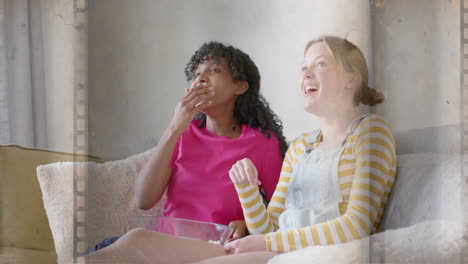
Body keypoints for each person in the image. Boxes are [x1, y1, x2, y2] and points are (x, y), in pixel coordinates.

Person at [84, 35, 396, 264]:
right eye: (303, 68)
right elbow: (271, 221)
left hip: (262, 250)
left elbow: (350, 224)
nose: (305, 74)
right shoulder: (301, 146)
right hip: (234, 246)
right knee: (122, 245)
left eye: (321, 64)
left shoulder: (367, 133)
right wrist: (246, 190)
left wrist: (256, 234)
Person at [83, 41, 287, 255]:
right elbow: (144, 199)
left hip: (214, 251)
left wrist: (246, 225)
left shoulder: (262, 143)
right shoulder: (184, 132)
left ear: (240, 86)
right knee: (103, 248)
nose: (201, 78)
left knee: (129, 242)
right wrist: (174, 128)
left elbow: (282, 213)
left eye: (214, 70)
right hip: (164, 244)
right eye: (197, 73)